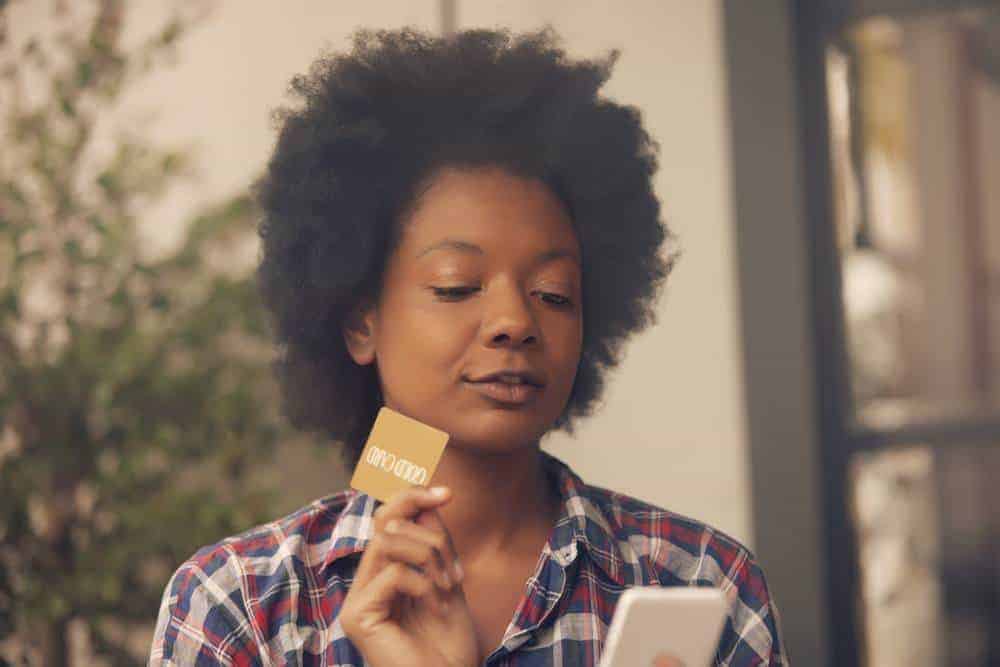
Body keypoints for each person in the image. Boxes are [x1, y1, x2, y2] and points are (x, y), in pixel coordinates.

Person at [148, 26, 787, 666]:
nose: (514, 320)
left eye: (554, 293)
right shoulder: (239, 608)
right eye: (457, 287)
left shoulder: (699, 582)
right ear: (360, 323)